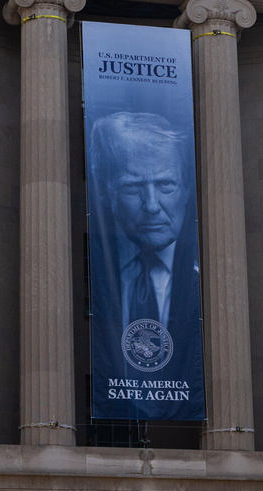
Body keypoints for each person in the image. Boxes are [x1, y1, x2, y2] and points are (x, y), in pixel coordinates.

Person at [86, 111, 203, 420]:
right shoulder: (93, 273)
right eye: (132, 188)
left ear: (187, 190)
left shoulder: (203, 275)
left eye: (166, 185)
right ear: (105, 193)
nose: (151, 206)